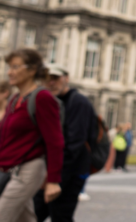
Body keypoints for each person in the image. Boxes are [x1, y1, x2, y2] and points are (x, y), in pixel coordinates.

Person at [0, 49, 64, 221]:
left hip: (28, 169)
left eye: (15, 67)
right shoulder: (14, 100)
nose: (9, 72)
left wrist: (53, 180)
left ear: (32, 70)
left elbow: (55, 141)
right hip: (10, 169)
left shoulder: (42, 98)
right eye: (9, 67)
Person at [33, 63, 98, 222]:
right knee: (35, 214)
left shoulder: (78, 102)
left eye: (55, 78)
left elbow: (74, 143)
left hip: (69, 171)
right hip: (53, 170)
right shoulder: (49, 100)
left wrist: (55, 177)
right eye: (47, 79)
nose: (51, 82)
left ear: (66, 78)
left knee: (60, 215)